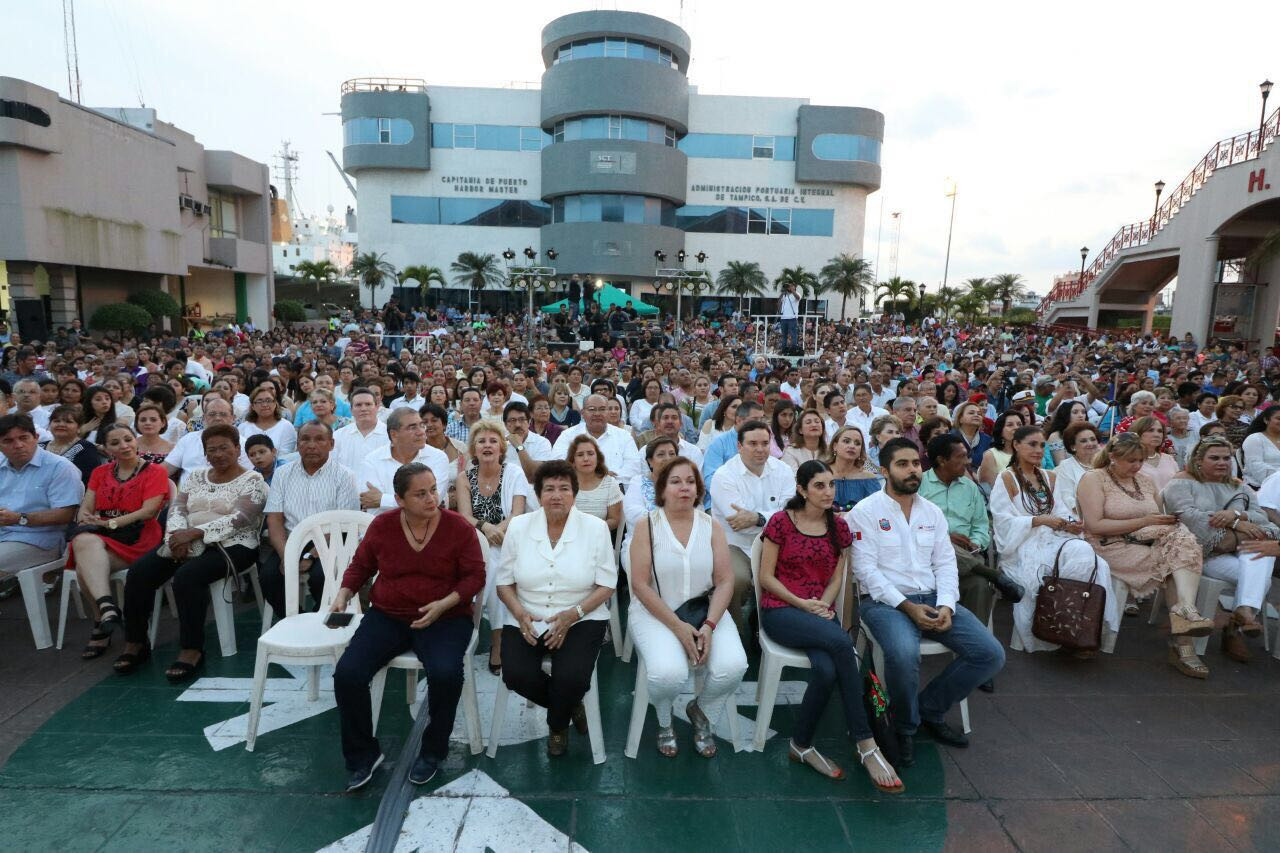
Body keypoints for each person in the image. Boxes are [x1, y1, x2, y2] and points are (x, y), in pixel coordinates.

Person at [851, 438, 1006, 766]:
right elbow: (866, 572)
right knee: (904, 654)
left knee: (990, 654)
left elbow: (946, 564)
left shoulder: (931, 512)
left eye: (915, 464)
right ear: (884, 471)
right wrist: (907, 607)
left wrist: (947, 605)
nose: (912, 471)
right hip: (884, 603)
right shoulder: (865, 512)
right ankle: (905, 727)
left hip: (935, 598)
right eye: (902, 464)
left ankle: (928, 710)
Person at [331, 464, 486, 791]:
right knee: (348, 674)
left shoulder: (458, 527)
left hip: (446, 617)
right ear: (400, 499)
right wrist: (344, 592)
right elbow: (362, 564)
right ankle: (362, 755)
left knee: (446, 674)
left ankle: (433, 750)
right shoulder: (383, 526)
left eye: (433, 489)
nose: (432, 498)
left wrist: (444, 604)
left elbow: (475, 576)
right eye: (421, 493)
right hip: (388, 615)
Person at [758, 460, 902, 789]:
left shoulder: (839, 527)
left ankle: (800, 744)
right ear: (802, 489)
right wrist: (802, 604)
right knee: (842, 645)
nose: (828, 492)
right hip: (781, 609)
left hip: (820, 612)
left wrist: (822, 604)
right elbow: (765, 577)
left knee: (826, 670)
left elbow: (839, 576)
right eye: (819, 485)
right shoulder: (782, 522)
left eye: (831, 485)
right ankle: (865, 742)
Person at [118, 425, 268, 680]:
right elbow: (178, 508)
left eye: (224, 448)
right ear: (205, 453)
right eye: (212, 450)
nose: (218, 454)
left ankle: (191, 648)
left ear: (237, 449)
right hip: (185, 540)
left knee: (189, 576)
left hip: (235, 545)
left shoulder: (253, 481)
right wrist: (176, 537)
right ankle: (136, 641)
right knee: (140, 571)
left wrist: (196, 533)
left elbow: (241, 519)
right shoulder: (197, 476)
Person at [627, 458, 746, 759]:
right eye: (676, 481)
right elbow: (640, 585)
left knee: (733, 667)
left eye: (690, 481)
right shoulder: (647, 526)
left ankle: (700, 710)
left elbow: (724, 580)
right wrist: (678, 628)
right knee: (668, 673)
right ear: (662, 490)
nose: (684, 487)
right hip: (655, 612)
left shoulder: (711, 526)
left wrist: (709, 625)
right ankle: (665, 722)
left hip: (704, 610)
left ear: (698, 488)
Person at [496, 460, 617, 757]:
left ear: (575, 494)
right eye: (548, 488)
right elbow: (503, 583)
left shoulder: (596, 528)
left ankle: (557, 725)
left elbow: (606, 584)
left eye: (564, 488)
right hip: (527, 613)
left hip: (581, 615)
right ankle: (569, 704)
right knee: (516, 674)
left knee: (572, 678)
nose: (556, 495)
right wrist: (521, 614)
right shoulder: (520, 527)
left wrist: (572, 614)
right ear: (538, 495)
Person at [1079, 432, 1212, 677]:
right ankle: (1184, 641)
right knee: (1177, 562)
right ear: (1112, 456)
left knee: (1181, 542)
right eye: (1130, 460)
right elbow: (1094, 526)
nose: (1137, 466)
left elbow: (1155, 521)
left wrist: (1164, 523)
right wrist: (1145, 521)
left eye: (1140, 460)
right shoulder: (1094, 479)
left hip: (1145, 543)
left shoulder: (1146, 481)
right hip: (1108, 546)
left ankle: (1185, 611)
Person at [990, 426, 1121, 654]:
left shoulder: (1050, 477)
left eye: (1042, 445)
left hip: (1055, 538)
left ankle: (1076, 627)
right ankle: (1057, 630)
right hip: (1023, 545)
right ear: (1016, 446)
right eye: (1032, 444)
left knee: (1092, 560)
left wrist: (1071, 524)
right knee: (1045, 570)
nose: (1039, 449)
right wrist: (1037, 520)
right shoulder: (1007, 478)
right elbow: (1002, 521)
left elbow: (1061, 510)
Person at [1166, 437, 1279, 663]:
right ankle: (1236, 624)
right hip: (1202, 553)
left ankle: (1243, 614)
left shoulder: (1240, 487)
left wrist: (1237, 515)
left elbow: (1263, 520)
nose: (1222, 463)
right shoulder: (1181, 484)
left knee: (1261, 552)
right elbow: (1192, 519)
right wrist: (1238, 525)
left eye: (1226, 458)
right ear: (1198, 460)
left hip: (1238, 551)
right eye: (1214, 458)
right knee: (1260, 576)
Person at [67, 424, 170, 659]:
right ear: (105, 448)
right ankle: (107, 609)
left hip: (139, 536)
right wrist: (85, 516)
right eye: (115, 443)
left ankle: (100, 619)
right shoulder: (100, 473)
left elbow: (148, 512)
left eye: (128, 439)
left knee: (84, 562)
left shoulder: (155, 472)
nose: (124, 446)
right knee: (84, 541)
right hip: (103, 537)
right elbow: (87, 506)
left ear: (136, 441)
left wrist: (110, 523)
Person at [919, 434, 1025, 625]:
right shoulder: (918, 486)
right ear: (942, 460)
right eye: (961, 457)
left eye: (968, 456)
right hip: (927, 558)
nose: (968, 461)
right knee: (941, 543)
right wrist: (945, 537)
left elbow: (981, 525)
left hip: (965, 560)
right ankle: (993, 575)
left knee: (979, 585)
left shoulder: (970, 487)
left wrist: (976, 543)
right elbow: (912, 529)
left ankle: (978, 645)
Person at [709, 418, 797, 644]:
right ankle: (733, 633)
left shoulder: (784, 470)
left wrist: (757, 518)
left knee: (792, 575)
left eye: (765, 443)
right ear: (739, 446)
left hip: (775, 543)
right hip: (734, 543)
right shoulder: (724, 476)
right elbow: (737, 523)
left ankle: (768, 624)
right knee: (735, 580)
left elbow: (789, 516)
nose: (760, 449)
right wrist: (770, 517)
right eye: (753, 444)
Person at [261, 421, 360, 617]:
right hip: (292, 541)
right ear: (297, 445)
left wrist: (310, 557)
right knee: (269, 577)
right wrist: (287, 556)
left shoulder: (344, 476)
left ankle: (319, 619)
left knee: (321, 579)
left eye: (319, 439)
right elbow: (274, 520)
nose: (311, 445)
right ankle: (294, 620)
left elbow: (342, 524)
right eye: (305, 440)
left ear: (331, 444)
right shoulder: (282, 474)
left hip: (331, 542)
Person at [455, 421, 531, 676]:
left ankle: (497, 642)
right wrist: (486, 529)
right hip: (474, 541)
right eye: (481, 441)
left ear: (501, 448)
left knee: (498, 569)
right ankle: (467, 630)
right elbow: (464, 516)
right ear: (474, 449)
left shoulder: (514, 473)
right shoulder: (465, 477)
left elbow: (518, 513)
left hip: (510, 540)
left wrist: (499, 531)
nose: (487, 445)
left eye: (492, 441)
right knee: (487, 565)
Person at [0, 413, 84, 602]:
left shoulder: (60, 467)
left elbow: (66, 514)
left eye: (23, 438)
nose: (18, 445)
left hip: (40, 540)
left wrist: (18, 518)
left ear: (36, 438)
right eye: (8, 441)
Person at [358, 408, 451, 511]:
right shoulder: (372, 461)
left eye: (421, 425)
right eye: (412, 427)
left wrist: (383, 500)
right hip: (385, 525)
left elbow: (433, 501)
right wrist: (415, 500)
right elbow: (370, 503)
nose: (421, 432)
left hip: (426, 525)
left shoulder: (438, 457)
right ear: (394, 434)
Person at [554, 393, 641, 481]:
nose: (597, 414)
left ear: (608, 412)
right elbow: (558, 464)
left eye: (602, 409)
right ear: (583, 413)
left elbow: (634, 467)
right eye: (592, 409)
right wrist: (595, 475)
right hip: (578, 487)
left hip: (616, 488)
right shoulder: (568, 435)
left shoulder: (624, 436)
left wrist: (607, 478)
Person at [164, 398, 249, 487]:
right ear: (204, 418)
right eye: (212, 414)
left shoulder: (243, 444)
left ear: (233, 418)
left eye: (223, 414)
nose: (217, 418)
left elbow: (246, 478)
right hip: (187, 496)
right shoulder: (188, 439)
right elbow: (166, 469)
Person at [566, 435, 623, 531]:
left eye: (590, 454)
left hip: (598, 537)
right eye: (580, 455)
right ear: (573, 461)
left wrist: (591, 531)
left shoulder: (609, 483)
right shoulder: (564, 484)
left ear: (598, 458)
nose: (586, 459)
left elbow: (614, 520)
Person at [41, 404, 105, 487]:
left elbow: (90, 482)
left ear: (79, 428)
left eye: (68, 422)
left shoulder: (86, 448)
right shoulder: (39, 447)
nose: (61, 424)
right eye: (56, 421)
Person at [824, 426, 879, 511]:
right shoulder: (820, 473)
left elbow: (877, 510)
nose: (852, 446)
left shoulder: (869, 478)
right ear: (835, 446)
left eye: (857, 443)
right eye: (846, 441)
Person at [1053, 422, 1102, 516]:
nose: (1090, 443)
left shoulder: (1105, 463)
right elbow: (1067, 499)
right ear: (1073, 446)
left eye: (1093, 439)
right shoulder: (1066, 467)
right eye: (1083, 441)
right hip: (1081, 517)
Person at [501, 401, 557, 481]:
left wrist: (519, 446)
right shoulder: (500, 444)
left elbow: (534, 475)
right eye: (512, 420)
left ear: (529, 422)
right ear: (506, 425)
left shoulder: (542, 443)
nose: (518, 425)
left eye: (522, 419)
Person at [238, 385, 298, 455]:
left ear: (275, 403)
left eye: (268, 400)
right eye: (259, 401)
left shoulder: (286, 426)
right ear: (252, 406)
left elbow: (286, 455)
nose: (265, 405)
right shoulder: (243, 427)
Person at [1129, 415, 1179, 493]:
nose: (1156, 435)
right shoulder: (1128, 460)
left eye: (1160, 431)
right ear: (1137, 433)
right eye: (1150, 430)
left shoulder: (1169, 459)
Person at [977, 411, 1024, 489]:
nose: (1016, 428)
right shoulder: (991, 455)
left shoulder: (1028, 453)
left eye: (1019, 424)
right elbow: (990, 489)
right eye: (1010, 425)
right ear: (1001, 431)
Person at [1241, 404, 1280, 488]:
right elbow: (1256, 467)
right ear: (1266, 420)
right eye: (1278, 418)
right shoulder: (1254, 439)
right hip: (1260, 486)